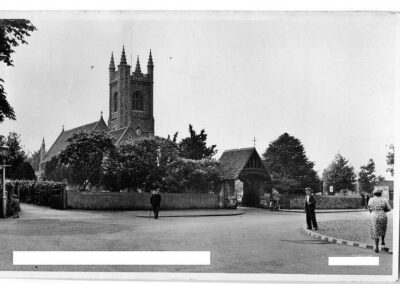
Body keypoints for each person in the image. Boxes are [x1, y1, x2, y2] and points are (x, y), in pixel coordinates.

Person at [368, 188, 391, 253]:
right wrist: (383, 210)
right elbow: (389, 208)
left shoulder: (371, 199)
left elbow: (369, 208)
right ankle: (383, 240)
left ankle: (377, 247)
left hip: (374, 215)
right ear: (381, 193)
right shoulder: (384, 199)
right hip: (382, 214)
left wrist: (372, 212)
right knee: (383, 228)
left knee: (375, 230)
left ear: (374, 193)